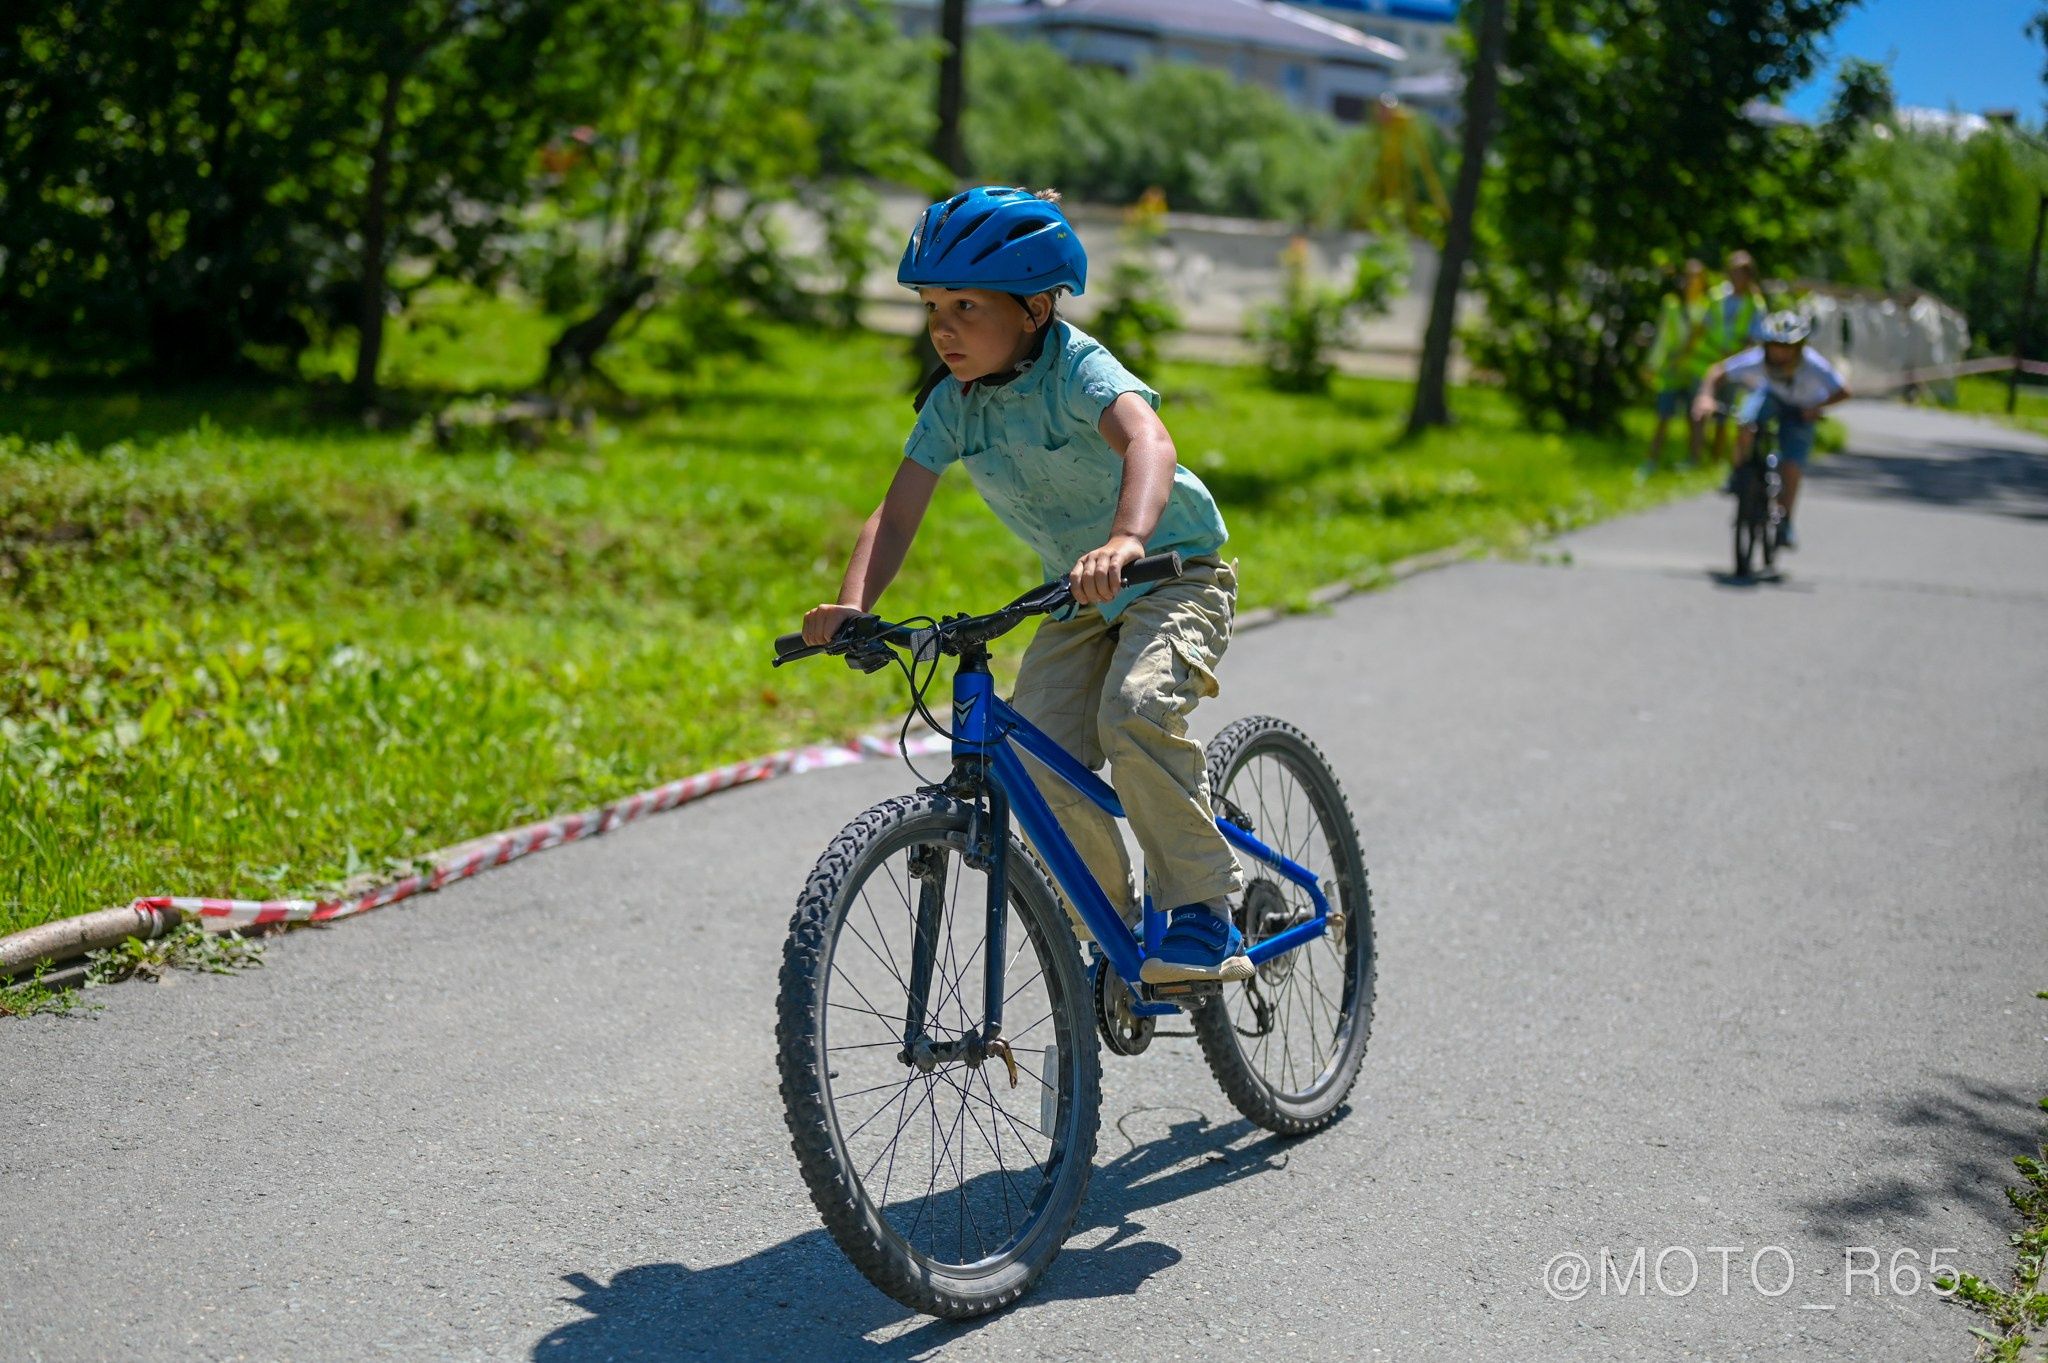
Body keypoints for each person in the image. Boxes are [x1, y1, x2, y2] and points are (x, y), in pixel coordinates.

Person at [799, 185, 1251, 986]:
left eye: (967, 306)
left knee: (1135, 713)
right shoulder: (953, 404)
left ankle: (1202, 909)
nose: (943, 327)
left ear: (1036, 309)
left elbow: (1149, 441)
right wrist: (854, 604)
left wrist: (1126, 539)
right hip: (1077, 597)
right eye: (933, 307)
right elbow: (896, 514)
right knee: (1033, 758)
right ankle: (1111, 925)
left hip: (1169, 572)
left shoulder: (1078, 370)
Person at [1692, 311, 1851, 550]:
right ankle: (1738, 474)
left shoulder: (1814, 365)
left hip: (1802, 410)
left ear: (1799, 348)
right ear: (1766, 345)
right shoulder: (1757, 359)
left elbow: (1844, 391)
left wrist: (1816, 408)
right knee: (1746, 422)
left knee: (1791, 465)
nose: (1780, 353)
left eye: (1788, 347)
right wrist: (1705, 398)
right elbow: (1717, 372)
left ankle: (1785, 521)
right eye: (1775, 346)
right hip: (1771, 399)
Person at [1643, 258, 1712, 474]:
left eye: (1696, 278)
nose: (1691, 282)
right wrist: (1652, 364)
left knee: (1695, 418)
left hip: (1696, 370)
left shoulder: (1709, 307)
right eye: (1688, 277)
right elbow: (1662, 337)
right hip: (1671, 369)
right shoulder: (1672, 304)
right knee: (1663, 416)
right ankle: (1651, 462)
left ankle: (1694, 462)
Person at [1705, 250, 1769, 467]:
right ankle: (1705, 458)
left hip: (1738, 366)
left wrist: (1736, 355)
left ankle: (1726, 460)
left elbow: (1756, 337)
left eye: (1742, 273)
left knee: (1731, 414)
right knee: (1706, 409)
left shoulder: (1755, 303)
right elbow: (1704, 327)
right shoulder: (1717, 296)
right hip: (1711, 360)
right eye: (1734, 272)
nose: (1737, 277)